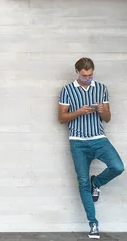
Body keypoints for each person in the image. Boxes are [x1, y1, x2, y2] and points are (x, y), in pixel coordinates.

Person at [58, 57, 124, 239]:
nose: (88, 78)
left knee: (118, 167)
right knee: (82, 183)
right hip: (78, 142)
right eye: (84, 75)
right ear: (77, 72)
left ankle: (97, 183)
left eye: (90, 74)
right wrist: (79, 111)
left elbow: (108, 118)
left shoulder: (101, 88)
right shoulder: (67, 90)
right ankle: (93, 224)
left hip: (99, 139)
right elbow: (61, 118)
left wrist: (103, 111)